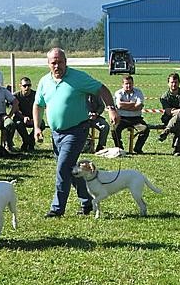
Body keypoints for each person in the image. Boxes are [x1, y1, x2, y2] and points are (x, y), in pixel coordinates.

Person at [33, 47, 119, 218]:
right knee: (71, 170)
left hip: (76, 131)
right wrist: (37, 127)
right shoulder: (44, 81)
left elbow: (101, 88)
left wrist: (111, 109)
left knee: (62, 168)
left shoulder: (78, 77)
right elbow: (38, 105)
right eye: (53, 63)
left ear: (66, 62)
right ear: (48, 64)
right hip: (56, 134)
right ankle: (86, 202)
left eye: (60, 62)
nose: (57, 66)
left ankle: (57, 209)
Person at [112, 75, 150, 154]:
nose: (128, 85)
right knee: (114, 129)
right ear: (122, 84)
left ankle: (137, 149)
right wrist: (133, 104)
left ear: (133, 83)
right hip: (122, 118)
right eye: (126, 84)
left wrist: (125, 106)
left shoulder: (138, 92)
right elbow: (119, 105)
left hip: (136, 119)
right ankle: (120, 148)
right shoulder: (118, 93)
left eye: (130, 83)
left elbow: (139, 106)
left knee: (145, 129)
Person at [158, 73, 180, 155]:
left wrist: (177, 111)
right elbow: (168, 112)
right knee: (178, 123)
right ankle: (177, 150)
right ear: (168, 83)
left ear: (179, 83)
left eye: (176, 82)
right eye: (171, 82)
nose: (174, 84)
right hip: (169, 120)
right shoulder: (164, 97)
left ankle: (167, 131)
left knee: (179, 118)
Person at [13, 76, 42, 151]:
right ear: (20, 86)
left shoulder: (36, 95)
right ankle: (27, 141)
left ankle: (30, 142)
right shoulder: (16, 96)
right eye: (24, 86)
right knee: (18, 123)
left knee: (41, 124)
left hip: (34, 118)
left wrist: (34, 119)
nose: (27, 87)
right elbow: (16, 111)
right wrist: (23, 117)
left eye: (29, 85)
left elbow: (40, 108)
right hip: (21, 118)